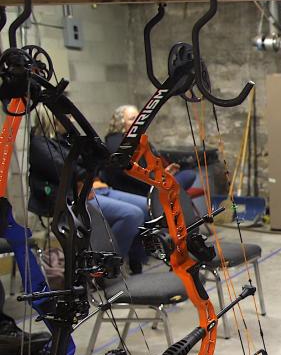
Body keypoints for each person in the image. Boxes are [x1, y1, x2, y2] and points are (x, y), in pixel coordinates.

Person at [28, 109, 148, 272]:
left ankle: (133, 260)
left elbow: (92, 162)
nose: (70, 119)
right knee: (132, 214)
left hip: (92, 188)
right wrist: (84, 175)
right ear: (53, 119)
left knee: (146, 205)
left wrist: (89, 164)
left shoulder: (65, 139)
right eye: (67, 115)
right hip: (72, 197)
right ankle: (105, 266)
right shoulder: (39, 143)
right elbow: (64, 168)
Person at [102, 105, 199, 196]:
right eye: (132, 119)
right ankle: (161, 200)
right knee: (187, 176)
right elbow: (128, 171)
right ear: (120, 123)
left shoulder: (138, 138)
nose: (138, 122)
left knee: (188, 174)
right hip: (136, 187)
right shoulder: (115, 141)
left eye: (139, 118)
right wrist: (158, 178)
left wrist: (164, 173)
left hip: (152, 182)